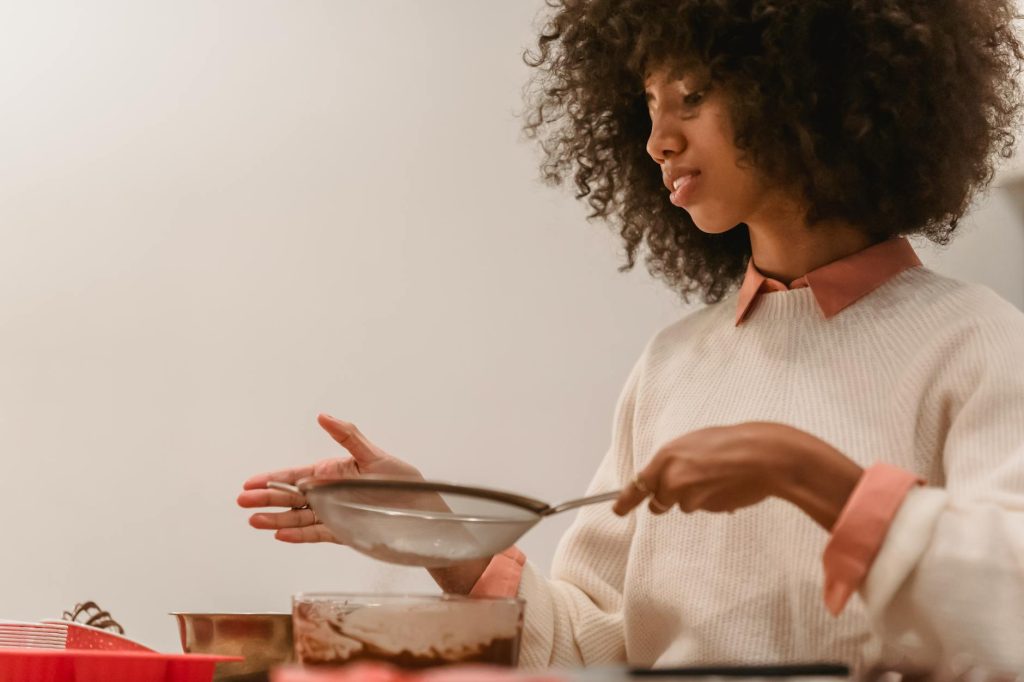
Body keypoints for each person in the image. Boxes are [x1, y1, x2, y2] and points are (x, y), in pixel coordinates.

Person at [238, 0, 1024, 673]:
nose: (657, 139)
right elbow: (600, 647)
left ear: (811, 86)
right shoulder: (675, 365)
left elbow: (1010, 616)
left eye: (691, 95)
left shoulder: (975, 342)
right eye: (648, 104)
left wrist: (804, 471)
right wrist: (444, 533)